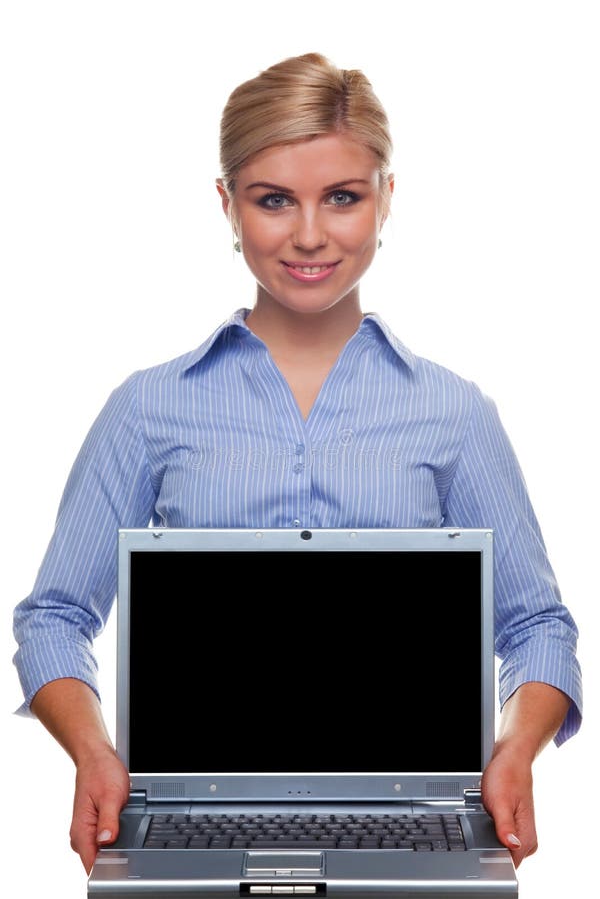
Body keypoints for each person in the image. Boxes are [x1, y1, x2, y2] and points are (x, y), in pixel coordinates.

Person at [13, 51, 582, 876]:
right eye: (273, 200)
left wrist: (515, 748)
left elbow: (538, 626)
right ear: (227, 205)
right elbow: (55, 615)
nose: (309, 235)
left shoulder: (454, 413)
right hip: (187, 808)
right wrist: (95, 754)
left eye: (342, 197)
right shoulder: (147, 408)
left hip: (412, 815)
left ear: (388, 198)